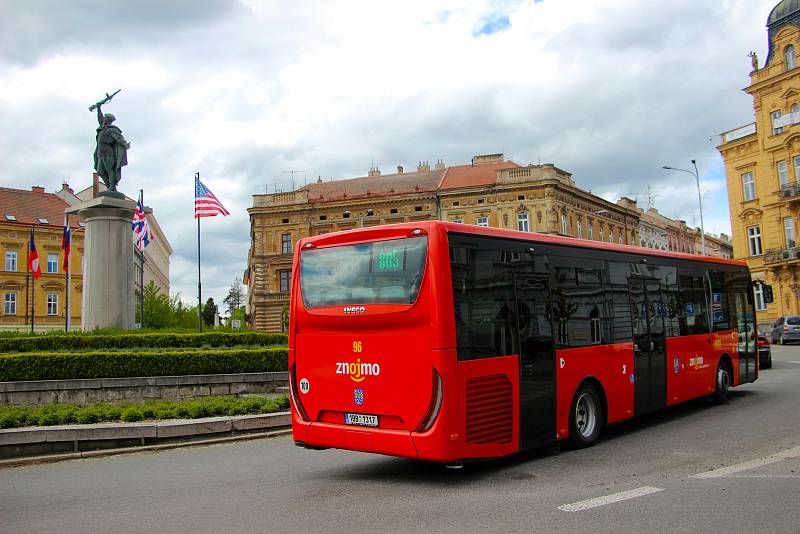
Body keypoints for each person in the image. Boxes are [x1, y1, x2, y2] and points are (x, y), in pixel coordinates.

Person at [93, 104, 130, 191]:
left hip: (108, 153)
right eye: (104, 118)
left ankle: (112, 186)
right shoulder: (102, 128)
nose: (104, 119)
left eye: (105, 118)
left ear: (108, 120)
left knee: (109, 169)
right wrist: (98, 108)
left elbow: (119, 138)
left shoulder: (112, 129)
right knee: (100, 171)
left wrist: (125, 144)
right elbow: (99, 118)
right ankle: (109, 186)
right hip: (99, 153)